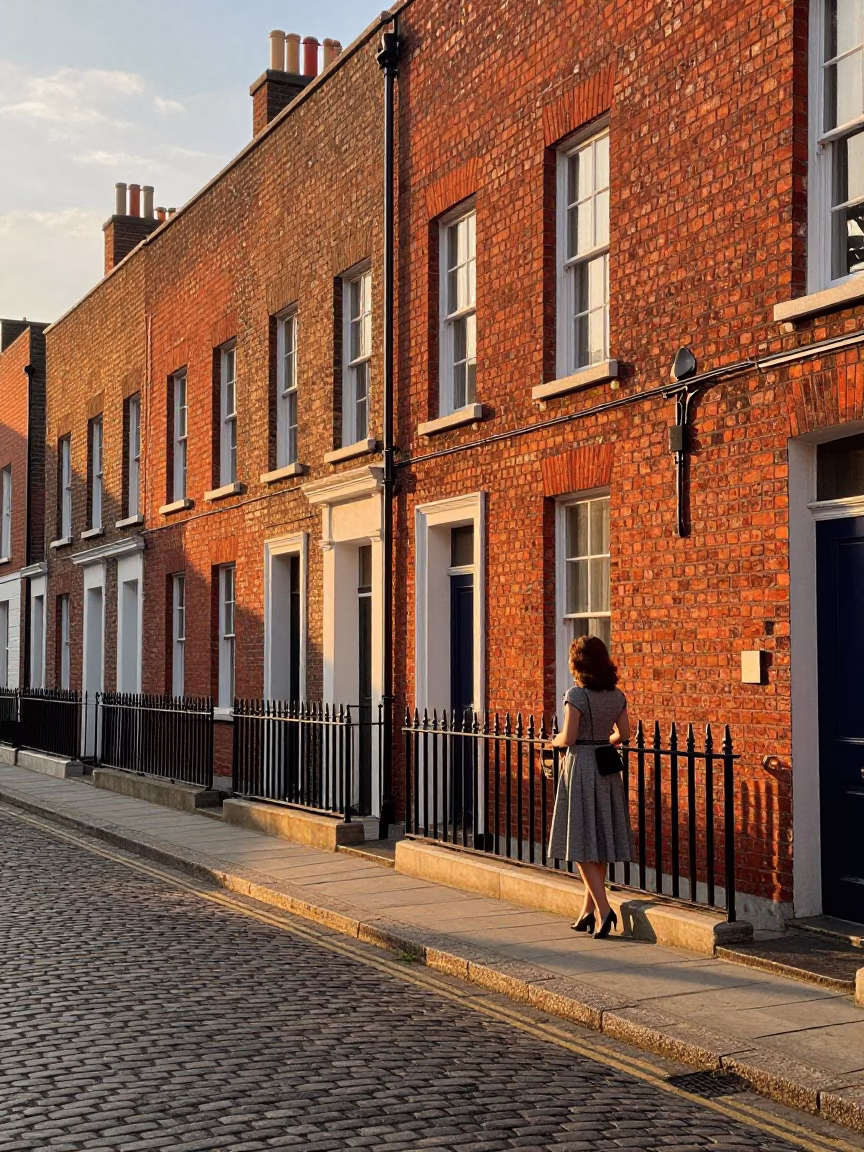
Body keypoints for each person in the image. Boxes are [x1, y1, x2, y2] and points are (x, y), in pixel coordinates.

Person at [547, 635, 633, 939]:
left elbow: (568, 737)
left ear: (578, 664)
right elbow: (623, 733)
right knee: (600, 836)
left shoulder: (577, 695)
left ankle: (605, 910)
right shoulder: (616, 695)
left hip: (581, 765)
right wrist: (603, 741)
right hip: (606, 768)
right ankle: (587, 911)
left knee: (581, 841)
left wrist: (552, 741)